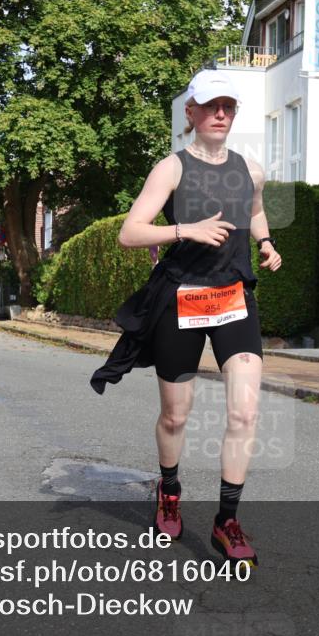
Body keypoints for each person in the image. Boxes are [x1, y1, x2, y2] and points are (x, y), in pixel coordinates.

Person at [91, 69, 281, 569]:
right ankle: (170, 490)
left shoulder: (251, 169)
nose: (221, 114)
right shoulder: (171, 168)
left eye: (228, 106)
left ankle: (226, 521)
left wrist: (265, 242)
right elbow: (130, 233)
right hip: (182, 298)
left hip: (234, 297)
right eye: (211, 106)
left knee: (245, 413)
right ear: (191, 113)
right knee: (176, 415)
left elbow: (254, 211)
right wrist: (184, 230)